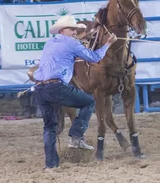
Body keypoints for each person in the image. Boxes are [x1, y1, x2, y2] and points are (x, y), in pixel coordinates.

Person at [33, 15, 116, 172]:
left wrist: (82, 38)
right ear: (64, 30)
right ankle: (76, 136)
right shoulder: (72, 43)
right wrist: (107, 44)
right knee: (89, 102)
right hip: (56, 87)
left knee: (49, 127)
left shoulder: (50, 42)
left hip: (40, 88)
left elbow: (70, 45)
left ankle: (51, 165)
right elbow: (95, 57)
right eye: (72, 29)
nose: (75, 32)